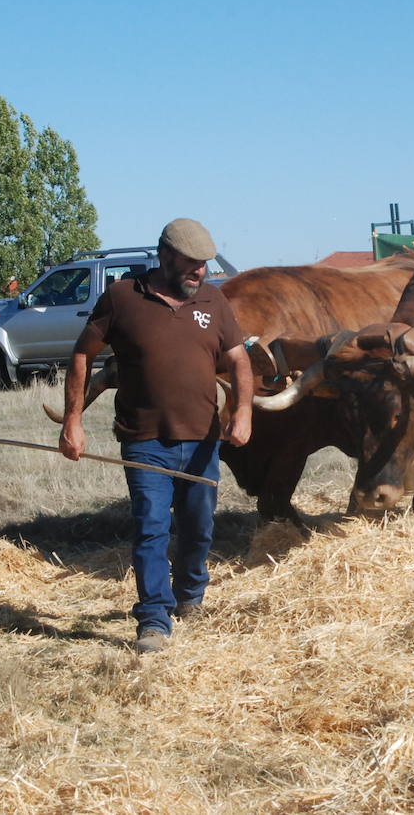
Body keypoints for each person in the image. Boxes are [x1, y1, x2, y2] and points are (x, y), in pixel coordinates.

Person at [59, 218, 253, 654]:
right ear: (164, 255)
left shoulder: (213, 300)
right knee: (151, 527)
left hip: (203, 441)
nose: (199, 271)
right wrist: (73, 420)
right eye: (190, 263)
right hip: (144, 439)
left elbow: (239, 360)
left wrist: (242, 412)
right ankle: (152, 618)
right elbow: (81, 355)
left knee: (199, 528)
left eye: (203, 264)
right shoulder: (123, 298)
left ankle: (191, 595)